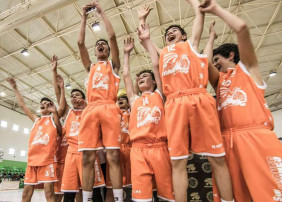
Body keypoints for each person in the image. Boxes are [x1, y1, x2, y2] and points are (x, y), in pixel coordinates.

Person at [139, 0, 233, 201]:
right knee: (178, 162)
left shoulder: (190, 44)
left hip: (198, 97)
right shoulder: (163, 53)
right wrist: (142, 22)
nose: (170, 33)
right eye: (167, 33)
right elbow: (148, 44)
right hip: (173, 103)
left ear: (183, 35)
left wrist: (193, 2)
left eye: (174, 30)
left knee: (217, 157)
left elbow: (199, 15)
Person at [200, 0, 282, 201]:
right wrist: (210, 38)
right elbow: (202, 64)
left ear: (230, 55)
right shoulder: (219, 82)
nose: (215, 64)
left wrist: (216, 9)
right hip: (227, 140)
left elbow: (242, 29)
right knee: (237, 196)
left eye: (217, 60)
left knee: (270, 194)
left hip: (256, 137)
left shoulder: (249, 69)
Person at [122, 23, 174, 201]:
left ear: (153, 81)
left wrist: (147, 39)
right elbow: (126, 74)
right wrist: (127, 53)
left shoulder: (160, 94)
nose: (140, 79)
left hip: (160, 147)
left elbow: (155, 64)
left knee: (167, 195)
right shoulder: (134, 99)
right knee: (141, 197)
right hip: (137, 149)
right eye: (140, 78)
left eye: (145, 77)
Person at [77, 1, 122, 201]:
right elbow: (80, 43)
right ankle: (88, 198)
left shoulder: (114, 65)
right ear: (95, 52)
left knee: (113, 156)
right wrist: (84, 17)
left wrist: (101, 12)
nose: (100, 45)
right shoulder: (90, 67)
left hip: (109, 106)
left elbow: (112, 36)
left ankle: (118, 198)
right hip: (92, 108)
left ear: (108, 51)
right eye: (97, 45)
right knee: (87, 157)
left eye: (103, 45)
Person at [50, 56, 105, 202]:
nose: (74, 97)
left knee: (94, 191)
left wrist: (86, 101)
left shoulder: (90, 109)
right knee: (69, 192)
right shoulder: (69, 112)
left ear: (84, 97)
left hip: (88, 152)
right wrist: (55, 74)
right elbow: (58, 96)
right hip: (71, 154)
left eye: (77, 95)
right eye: (72, 96)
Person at [7, 78, 63, 202]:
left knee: (49, 193)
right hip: (32, 161)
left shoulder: (53, 120)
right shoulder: (36, 119)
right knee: (25, 194)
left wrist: (54, 113)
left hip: (47, 161)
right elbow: (23, 105)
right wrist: (15, 88)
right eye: (42, 103)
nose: (44, 104)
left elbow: (60, 131)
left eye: (47, 103)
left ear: (51, 107)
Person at [105, 94, 131, 201]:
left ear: (128, 102)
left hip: (131, 150)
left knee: (134, 185)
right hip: (115, 150)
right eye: (119, 99)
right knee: (111, 187)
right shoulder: (113, 114)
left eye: (123, 99)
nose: (120, 100)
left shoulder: (133, 113)